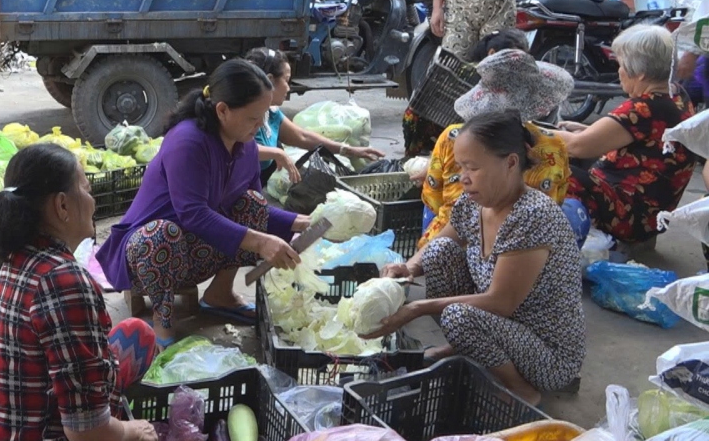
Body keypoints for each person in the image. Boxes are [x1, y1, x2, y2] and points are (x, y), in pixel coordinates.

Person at [0, 143, 218, 441]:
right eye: (85, 189)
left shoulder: (19, 260)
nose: (93, 200)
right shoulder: (65, 283)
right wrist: (131, 432)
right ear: (62, 206)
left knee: (137, 334)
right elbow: (85, 434)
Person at [376, 111, 585, 406]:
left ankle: (521, 388)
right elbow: (445, 237)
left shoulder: (531, 216)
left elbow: (501, 302)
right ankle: (467, 348)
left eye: (473, 168)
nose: (464, 178)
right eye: (461, 167)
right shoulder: (474, 203)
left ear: (511, 162)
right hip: (503, 326)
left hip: (546, 352)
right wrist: (408, 267)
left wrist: (417, 308)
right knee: (438, 253)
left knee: (457, 315)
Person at [96, 60, 308, 346]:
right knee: (161, 234)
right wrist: (261, 243)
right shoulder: (188, 141)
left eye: (263, 117)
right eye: (253, 118)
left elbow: (258, 211)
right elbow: (193, 214)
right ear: (223, 110)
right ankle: (163, 327)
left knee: (251, 203)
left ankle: (220, 295)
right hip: (149, 254)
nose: (260, 126)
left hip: (195, 248)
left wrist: (300, 223)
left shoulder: (244, 146)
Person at [418, 49, 584, 249]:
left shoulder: (454, 137)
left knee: (432, 208)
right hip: (531, 246)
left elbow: (433, 198)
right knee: (573, 209)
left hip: (457, 245)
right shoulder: (554, 144)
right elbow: (558, 197)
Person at [555, 25, 695, 249]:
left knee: (554, 172)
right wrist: (587, 130)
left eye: (621, 65)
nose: (618, 71)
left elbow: (578, 146)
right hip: (655, 209)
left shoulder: (644, 107)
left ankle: (553, 250)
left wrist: (530, 129)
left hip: (635, 216)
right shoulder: (676, 93)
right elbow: (640, 138)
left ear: (640, 73)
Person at [243, 47, 384, 185]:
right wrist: (277, 154)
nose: (288, 87)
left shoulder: (271, 112)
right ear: (270, 81)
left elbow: (303, 137)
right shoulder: (241, 113)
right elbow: (239, 149)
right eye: (286, 80)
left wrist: (348, 150)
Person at [402, 29, 530, 158]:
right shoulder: (468, 72)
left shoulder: (513, 81)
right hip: (446, 124)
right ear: (492, 53)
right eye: (514, 59)